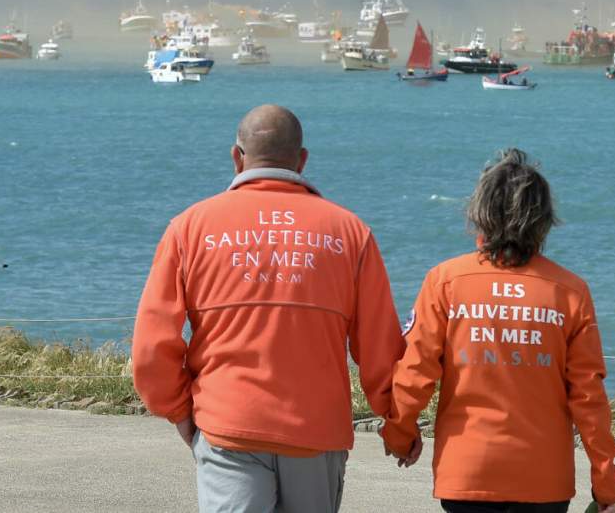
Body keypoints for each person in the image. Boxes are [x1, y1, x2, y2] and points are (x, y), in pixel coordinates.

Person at [132, 104, 411, 512]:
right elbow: (379, 346)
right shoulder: (349, 232)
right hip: (316, 433)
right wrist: (395, 418)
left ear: (236, 157)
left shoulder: (190, 227)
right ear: (301, 160)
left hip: (229, 423)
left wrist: (178, 410)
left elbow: (151, 345)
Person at [382, 149, 615, 513]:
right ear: (542, 218)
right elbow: (589, 398)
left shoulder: (445, 281)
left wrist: (400, 435)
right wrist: (606, 483)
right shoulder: (570, 291)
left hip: (467, 472)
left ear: (479, 211)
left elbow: (415, 371)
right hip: (544, 480)